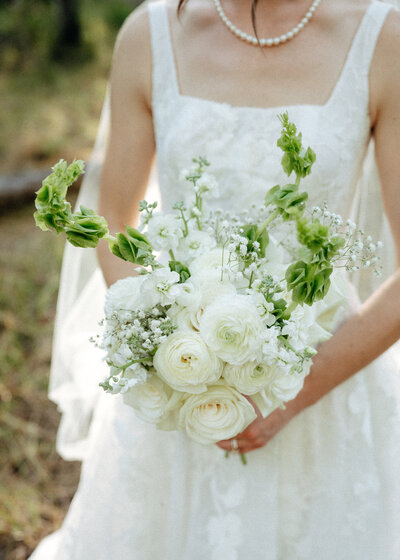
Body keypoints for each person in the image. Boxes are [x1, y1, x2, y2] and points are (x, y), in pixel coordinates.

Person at [31, 0, 400, 557]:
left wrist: (290, 397)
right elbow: (112, 225)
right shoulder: (149, 34)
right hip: (180, 394)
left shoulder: (384, 37)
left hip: (327, 382)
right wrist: (174, 356)